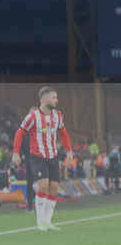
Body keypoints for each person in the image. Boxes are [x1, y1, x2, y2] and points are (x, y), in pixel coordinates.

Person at [12, 87, 73, 231]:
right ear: (44, 99)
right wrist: (15, 153)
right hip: (37, 157)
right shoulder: (33, 117)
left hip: (53, 156)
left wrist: (69, 150)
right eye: (54, 97)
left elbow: (63, 133)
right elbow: (19, 134)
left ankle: (48, 221)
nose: (56, 100)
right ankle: (40, 221)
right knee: (43, 185)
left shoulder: (58, 116)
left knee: (54, 187)